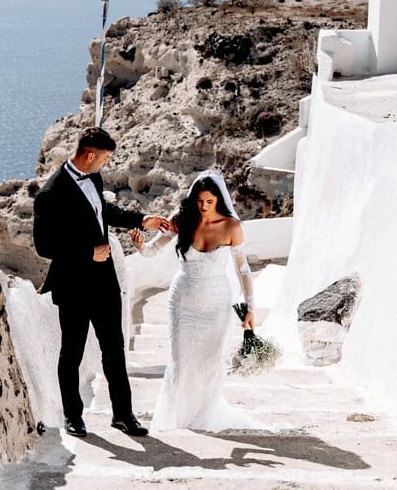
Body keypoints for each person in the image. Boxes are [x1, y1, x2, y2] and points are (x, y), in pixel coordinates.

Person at [33, 126, 169, 438]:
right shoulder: (50, 194)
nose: (105, 164)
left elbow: (101, 211)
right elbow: (44, 246)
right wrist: (87, 252)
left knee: (115, 348)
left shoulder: (93, 177)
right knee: (72, 351)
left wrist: (139, 220)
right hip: (73, 286)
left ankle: (123, 415)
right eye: (105, 158)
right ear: (90, 155)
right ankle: (73, 417)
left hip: (105, 281)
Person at [130, 169, 258, 432]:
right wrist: (140, 245)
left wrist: (250, 308)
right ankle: (176, 416)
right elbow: (152, 251)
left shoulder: (231, 227)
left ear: (218, 201)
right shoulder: (180, 221)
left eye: (209, 202)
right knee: (180, 360)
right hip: (183, 300)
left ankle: (203, 416)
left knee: (209, 362)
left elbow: (243, 269)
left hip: (216, 303)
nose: (204, 207)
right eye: (199, 202)